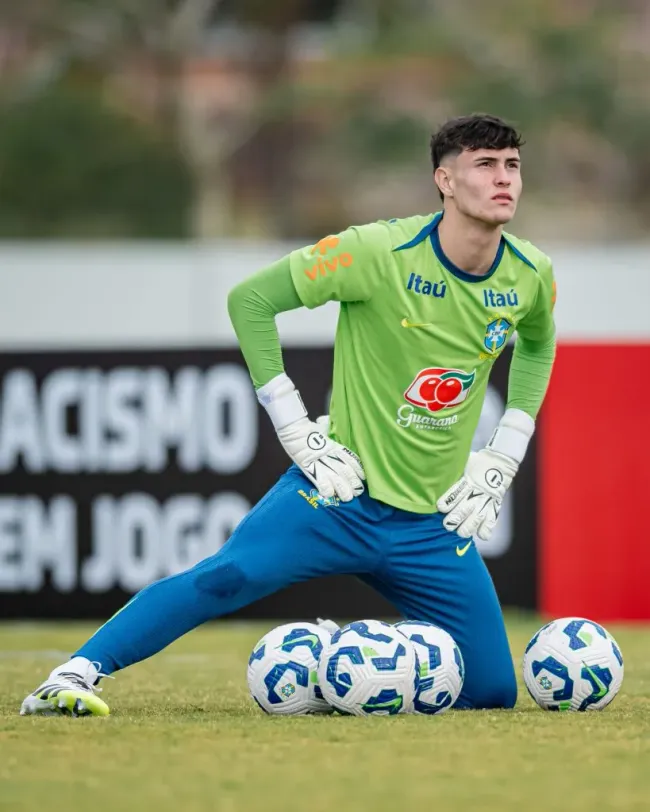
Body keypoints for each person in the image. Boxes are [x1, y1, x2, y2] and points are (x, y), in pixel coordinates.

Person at [21, 113, 556, 717]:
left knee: (491, 693)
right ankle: (73, 674)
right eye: (485, 165)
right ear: (446, 181)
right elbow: (250, 300)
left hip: (432, 525)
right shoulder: (376, 251)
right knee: (224, 579)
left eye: (512, 165)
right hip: (335, 498)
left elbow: (538, 343)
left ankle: (365, 667)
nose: (504, 178)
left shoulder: (530, 272)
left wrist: (507, 447)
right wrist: (295, 428)